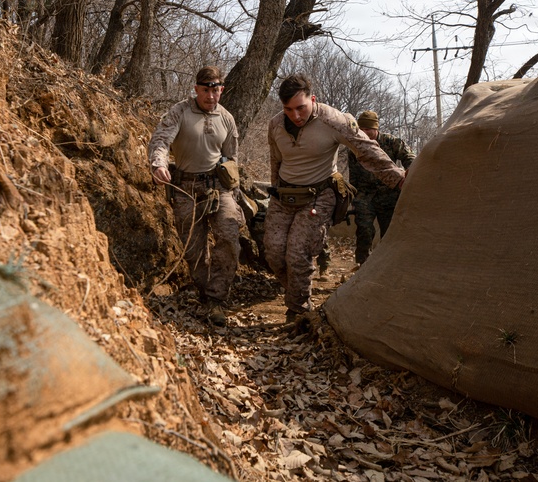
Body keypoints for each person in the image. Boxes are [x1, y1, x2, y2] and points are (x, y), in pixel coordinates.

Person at [265, 74, 405, 322]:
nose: (295, 116)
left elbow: (367, 149)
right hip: (284, 196)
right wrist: (275, 189)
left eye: (301, 108)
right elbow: (276, 160)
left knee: (297, 252)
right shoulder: (275, 125)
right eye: (288, 109)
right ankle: (296, 294)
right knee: (275, 252)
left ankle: (298, 310)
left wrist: (399, 178)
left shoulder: (334, 120)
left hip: (318, 195)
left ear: (313, 99)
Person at [147, 66, 244, 327]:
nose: (211, 96)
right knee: (193, 248)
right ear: (196, 88)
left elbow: (232, 158)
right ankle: (203, 292)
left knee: (229, 235)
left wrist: (234, 195)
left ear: (221, 90)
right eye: (205, 90)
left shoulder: (227, 118)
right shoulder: (180, 111)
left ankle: (217, 298)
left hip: (218, 188)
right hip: (185, 188)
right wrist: (159, 164)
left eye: (216, 91)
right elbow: (160, 141)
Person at [347, 110, 416, 265]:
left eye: (367, 129)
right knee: (364, 230)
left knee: (389, 234)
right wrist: (355, 197)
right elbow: (354, 176)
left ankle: (388, 265)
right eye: (361, 129)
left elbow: (409, 157)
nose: (364, 133)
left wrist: (409, 175)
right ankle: (362, 265)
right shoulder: (355, 146)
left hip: (389, 195)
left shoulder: (391, 142)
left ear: (376, 128)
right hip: (365, 196)